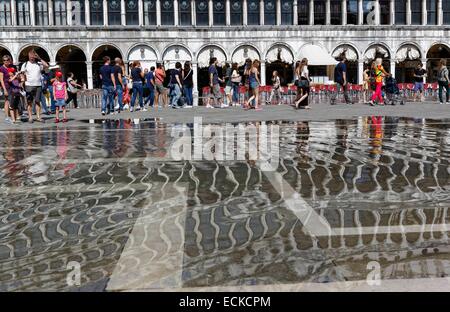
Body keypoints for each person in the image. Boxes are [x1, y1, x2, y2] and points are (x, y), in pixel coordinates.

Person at [21, 49, 49, 123]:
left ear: (35, 56)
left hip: (38, 85)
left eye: (33, 56)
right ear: (28, 56)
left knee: (37, 102)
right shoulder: (25, 64)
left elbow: (46, 66)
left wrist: (39, 58)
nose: (32, 57)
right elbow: (22, 74)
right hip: (29, 85)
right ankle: (30, 117)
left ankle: (38, 117)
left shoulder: (39, 64)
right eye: (30, 56)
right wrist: (22, 83)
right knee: (29, 102)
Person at [0, 55, 14, 123]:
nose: (5, 62)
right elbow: (1, 80)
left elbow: (12, 78)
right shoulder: (2, 68)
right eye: (4, 60)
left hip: (11, 86)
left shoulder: (10, 68)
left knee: (9, 102)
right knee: (7, 102)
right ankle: (6, 117)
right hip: (5, 87)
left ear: (9, 61)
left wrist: (13, 75)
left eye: (7, 60)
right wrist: (4, 89)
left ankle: (9, 116)